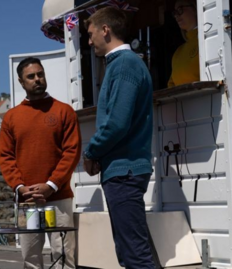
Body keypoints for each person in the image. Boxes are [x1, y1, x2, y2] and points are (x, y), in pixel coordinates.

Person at [84, 7, 155, 269]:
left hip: (124, 170)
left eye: (91, 34)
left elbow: (117, 123)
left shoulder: (124, 65)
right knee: (129, 253)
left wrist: (91, 152)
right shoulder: (122, 64)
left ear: (106, 30)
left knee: (135, 255)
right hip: (122, 169)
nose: (89, 41)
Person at [0, 57, 81, 269]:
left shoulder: (64, 111)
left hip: (59, 197)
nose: (37, 79)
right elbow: (5, 157)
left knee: (63, 257)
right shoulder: (11, 117)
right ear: (21, 81)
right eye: (31, 76)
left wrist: (51, 185)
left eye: (40, 74)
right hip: (26, 200)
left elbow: (72, 152)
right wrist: (20, 187)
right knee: (30, 259)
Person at [168, 0, 199, 87]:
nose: (176, 15)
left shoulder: (209, 42)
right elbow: (171, 85)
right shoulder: (178, 52)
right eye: (175, 12)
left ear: (195, 8)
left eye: (180, 9)